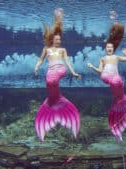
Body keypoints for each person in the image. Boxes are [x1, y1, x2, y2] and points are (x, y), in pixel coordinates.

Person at [87, 23, 126, 141]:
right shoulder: (103, 58)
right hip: (108, 77)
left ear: (113, 48)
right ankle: (121, 103)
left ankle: (120, 105)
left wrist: (125, 52)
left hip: (115, 81)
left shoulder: (116, 57)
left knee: (118, 88)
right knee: (115, 81)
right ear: (105, 49)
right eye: (107, 47)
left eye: (111, 47)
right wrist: (92, 67)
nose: (109, 49)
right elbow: (100, 71)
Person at [34, 8, 81, 141]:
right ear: (52, 39)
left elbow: (68, 62)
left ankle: (55, 101)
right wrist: (36, 68)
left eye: (60, 39)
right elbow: (40, 60)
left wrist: (74, 73)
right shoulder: (46, 49)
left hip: (60, 69)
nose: (59, 41)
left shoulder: (62, 50)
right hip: (50, 71)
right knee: (49, 83)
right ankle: (56, 101)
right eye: (57, 39)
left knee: (52, 80)